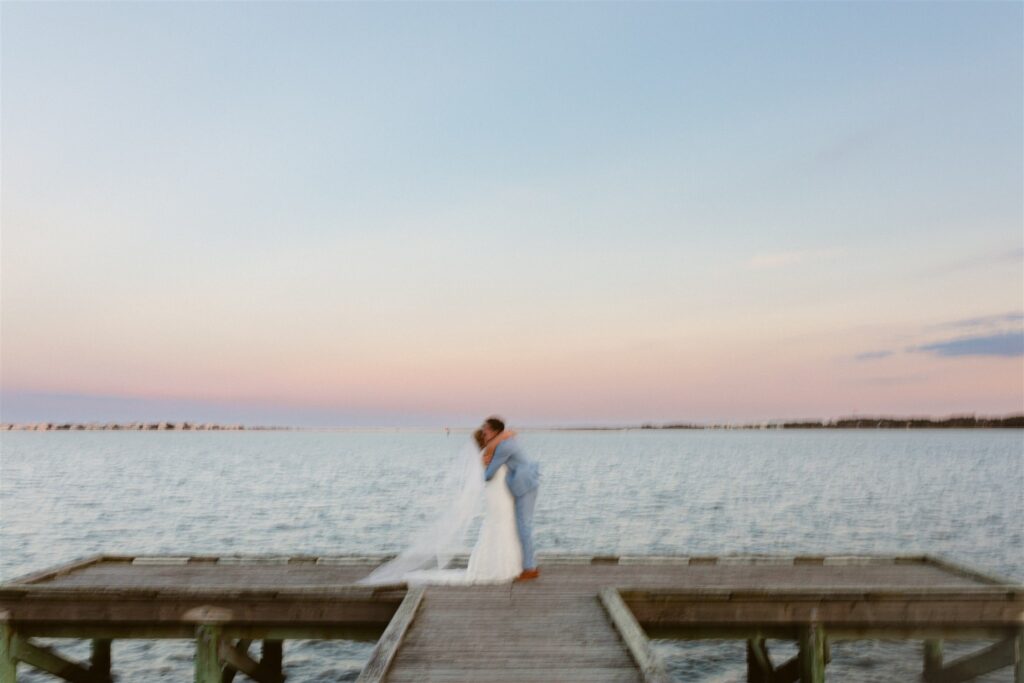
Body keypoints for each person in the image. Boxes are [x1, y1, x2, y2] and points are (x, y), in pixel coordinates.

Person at [357, 428, 522, 586]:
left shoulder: (492, 453)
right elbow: (508, 441)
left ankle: (505, 567)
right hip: (497, 497)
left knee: (504, 527)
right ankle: (492, 569)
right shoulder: (486, 455)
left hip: (503, 495)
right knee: (497, 526)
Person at [480, 416, 541, 581]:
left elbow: (489, 474)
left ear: (494, 430)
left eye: (485, 428)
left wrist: (482, 466)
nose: (483, 430)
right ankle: (529, 564)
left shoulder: (504, 446)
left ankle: (530, 568)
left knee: (524, 526)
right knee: (523, 525)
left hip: (525, 485)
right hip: (526, 482)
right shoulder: (505, 443)